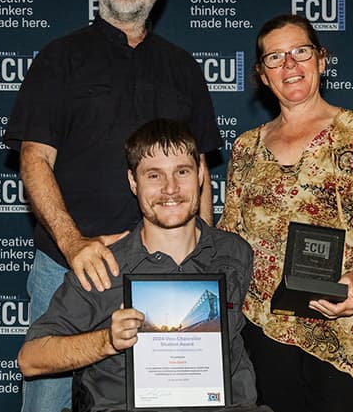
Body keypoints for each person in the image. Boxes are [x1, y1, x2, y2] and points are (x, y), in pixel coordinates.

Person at [3, 0, 221, 410]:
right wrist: (72, 241)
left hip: (161, 273)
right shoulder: (59, 59)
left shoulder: (183, 67)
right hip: (68, 267)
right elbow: (34, 159)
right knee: (47, 401)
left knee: (163, 398)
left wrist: (203, 260)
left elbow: (199, 172)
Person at [217, 14, 353, 412]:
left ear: (322, 60)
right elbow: (230, 232)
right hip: (264, 330)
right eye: (274, 58)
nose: (289, 65)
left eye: (300, 52)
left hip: (343, 327)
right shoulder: (246, 148)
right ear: (262, 75)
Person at [17, 119, 266, 412]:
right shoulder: (105, 266)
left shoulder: (235, 254)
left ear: (200, 175)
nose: (170, 189)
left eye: (182, 172)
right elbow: (30, 359)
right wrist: (107, 341)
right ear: (134, 182)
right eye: (154, 175)